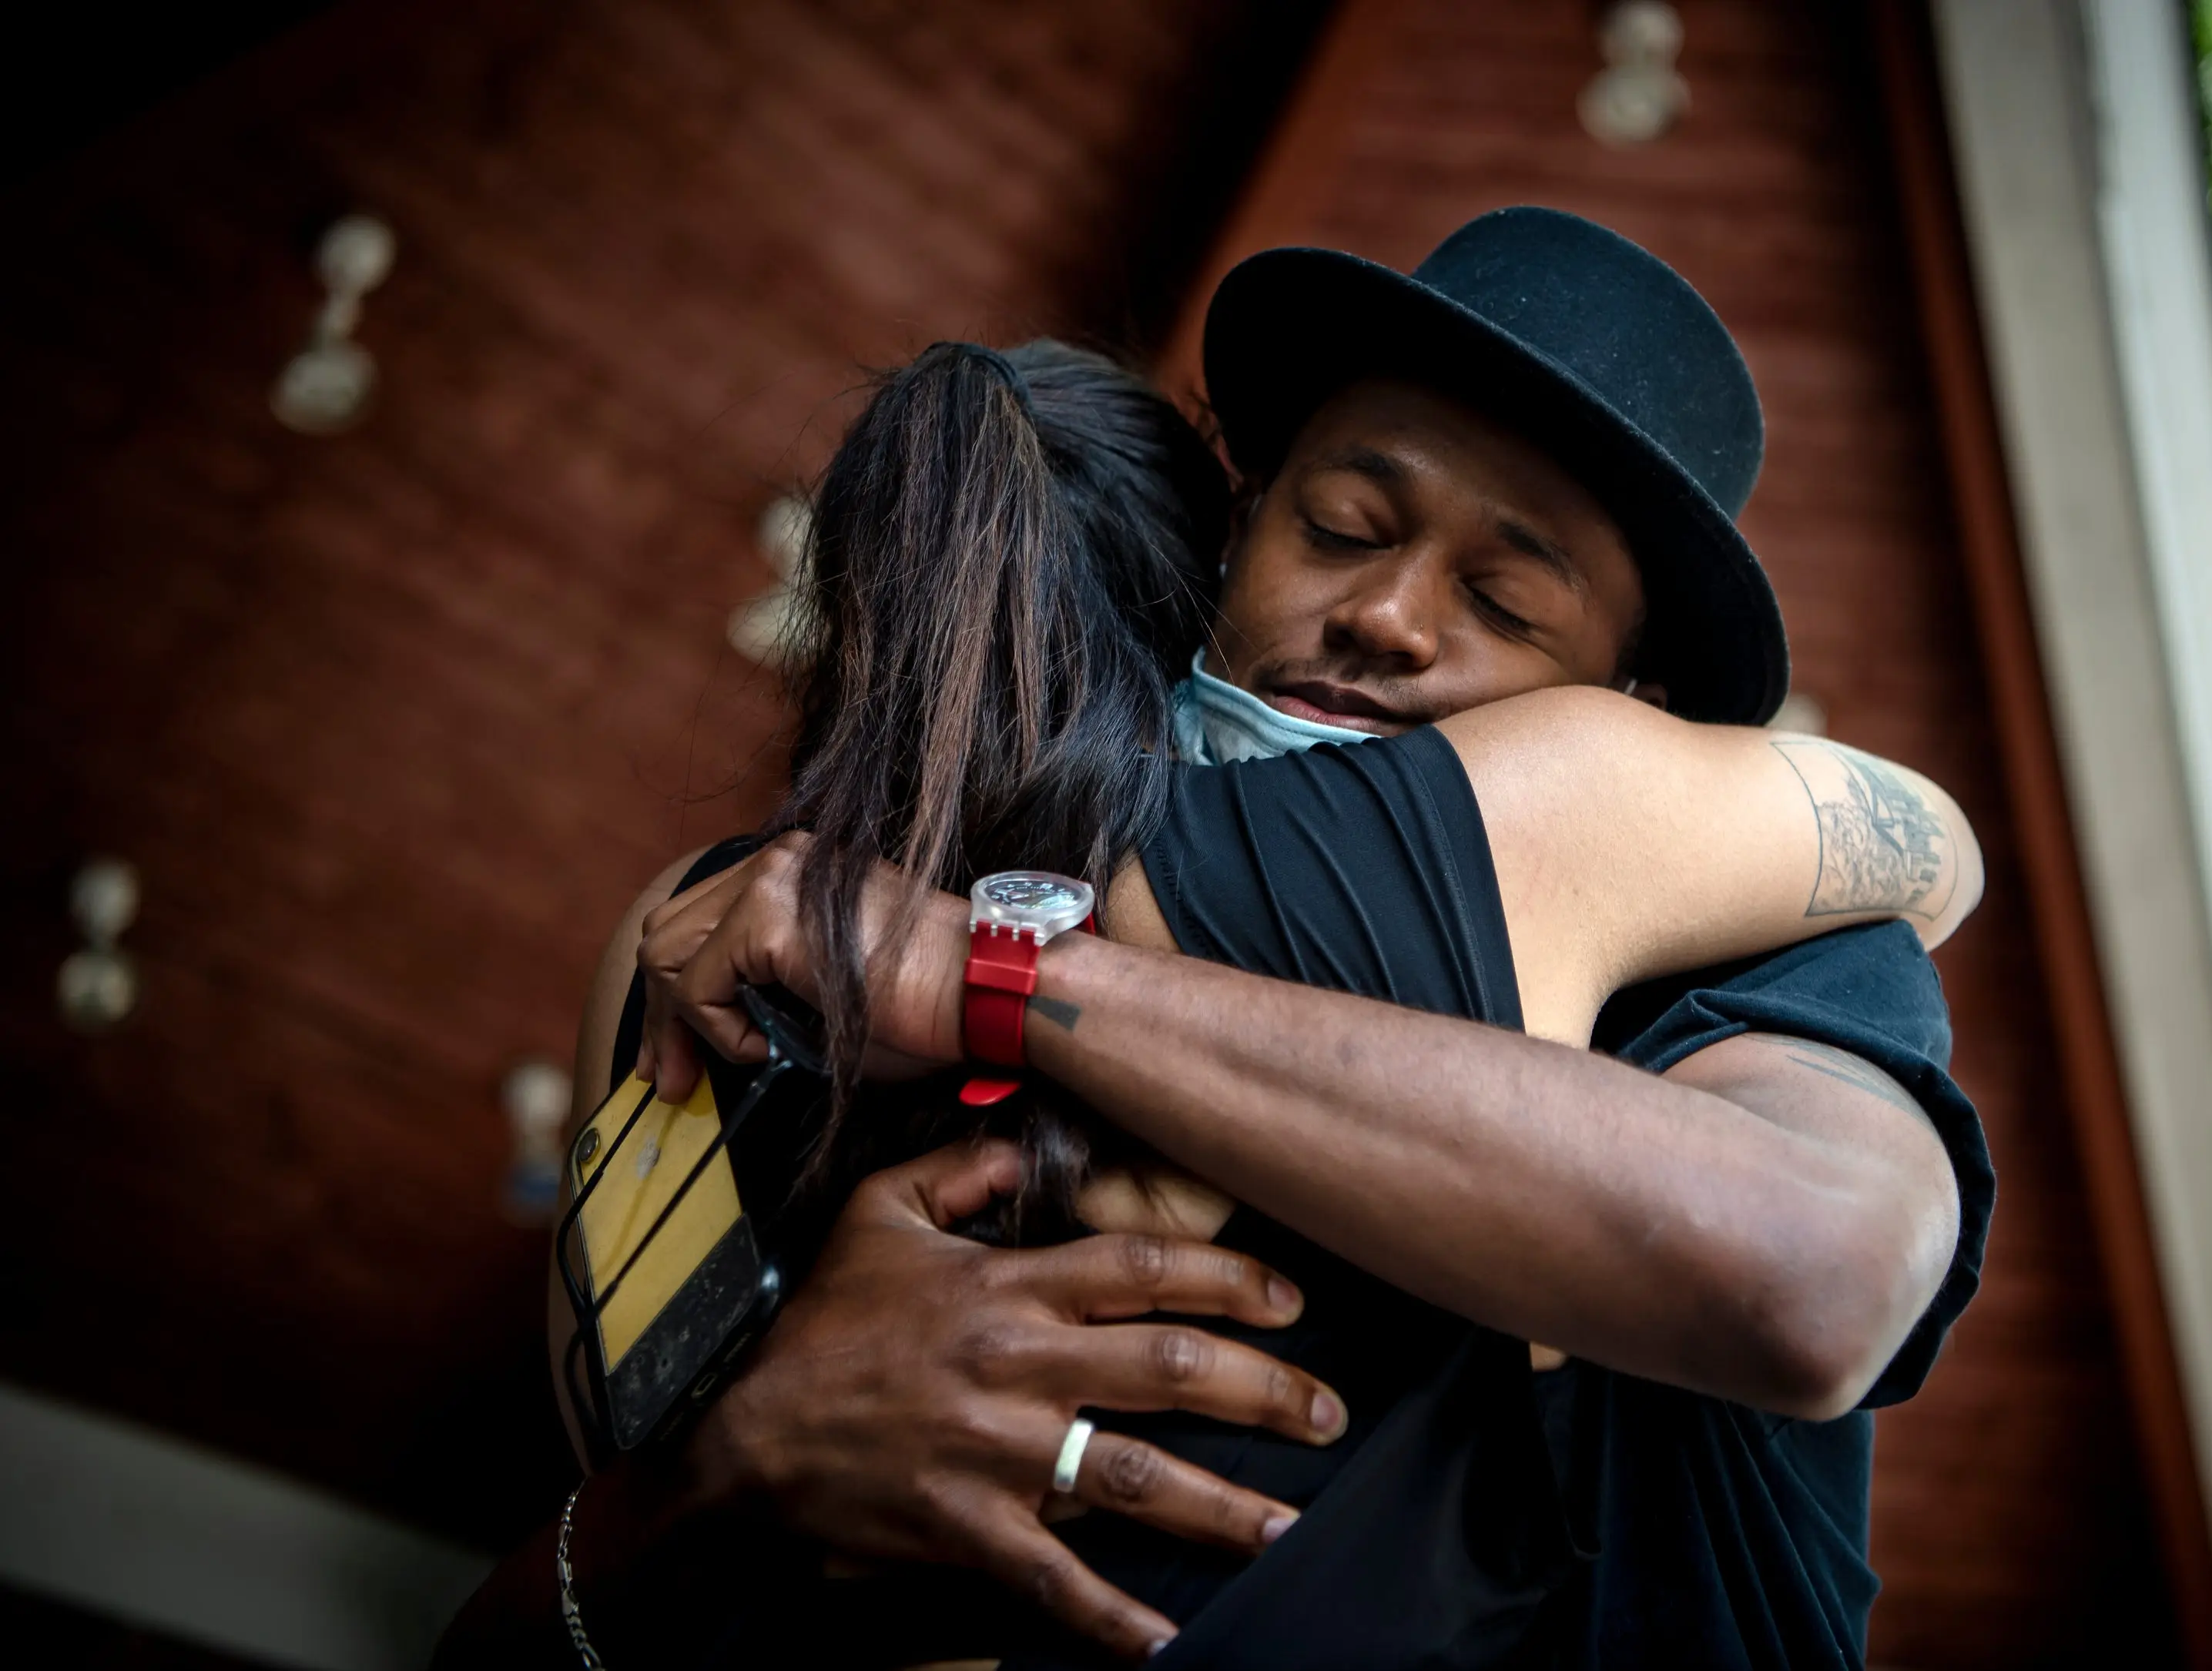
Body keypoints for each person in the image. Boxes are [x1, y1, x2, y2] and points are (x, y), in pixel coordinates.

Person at [440, 208, 1992, 1671]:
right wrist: (724, 1472)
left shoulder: (1756, 966)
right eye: (1340, 526)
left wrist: (998, 975)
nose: (1388, 614)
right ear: (1239, 526)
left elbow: (1817, 1271)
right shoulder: (782, 940)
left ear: (1635, 720)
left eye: (1507, 602)